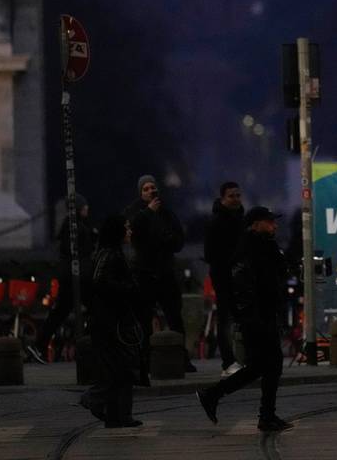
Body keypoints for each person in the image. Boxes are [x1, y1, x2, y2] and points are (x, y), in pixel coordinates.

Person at [196, 206, 292, 432]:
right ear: (256, 224)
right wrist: (251, 318)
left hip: (265, 314)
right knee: (267, 365)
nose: (274, 225)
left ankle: (259, 413)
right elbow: (243, 285)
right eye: (269, 222)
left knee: (264, 366)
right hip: (256, 318)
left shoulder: (267, 246)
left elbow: (277, 274)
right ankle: (260, 413)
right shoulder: (248, 248)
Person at [124, 174, 194, 374]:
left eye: (152, 187)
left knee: (174, 317)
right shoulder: (136, 211)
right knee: (143, 319)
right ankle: (143, 360)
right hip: (144, 272)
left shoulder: (167, 213)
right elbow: (134, 232)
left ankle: (182, 359)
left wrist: (166, 240)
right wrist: (148, 213)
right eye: (145, 188)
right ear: (140, 192)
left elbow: (178, 240)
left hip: (165, 272)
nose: (150, 191)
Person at [80, 215, 143, 428]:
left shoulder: (107, 252)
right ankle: (95, 400)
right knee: (121, 367)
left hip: (109, 319)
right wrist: (129, 287)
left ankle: (118, 416)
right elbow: (101, 282)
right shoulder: (110, 254)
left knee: (119, 369)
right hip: (111, 322)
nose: (129, 231)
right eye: (126, 228)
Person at [33, 195, 97, 363]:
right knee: (96, 307)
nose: (87, 209)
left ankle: (40, 344)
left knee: (60, 312)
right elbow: (81, 250)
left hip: (72, 275)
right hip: (77, 277)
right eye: (84, 207)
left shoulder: (74, 224)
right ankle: (90, 344)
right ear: (79, 208)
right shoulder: (74, 226)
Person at [202, 181, 244, 377]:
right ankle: (228, 361)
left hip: (240, 276)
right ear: (222, 198)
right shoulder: (216, 221)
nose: (235, 199)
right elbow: (210, 253)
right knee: (225, 319)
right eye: (231, 196)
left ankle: (241, 358)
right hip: (223, 276)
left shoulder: (241, 218)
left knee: (242, 317)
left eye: (238, 195)